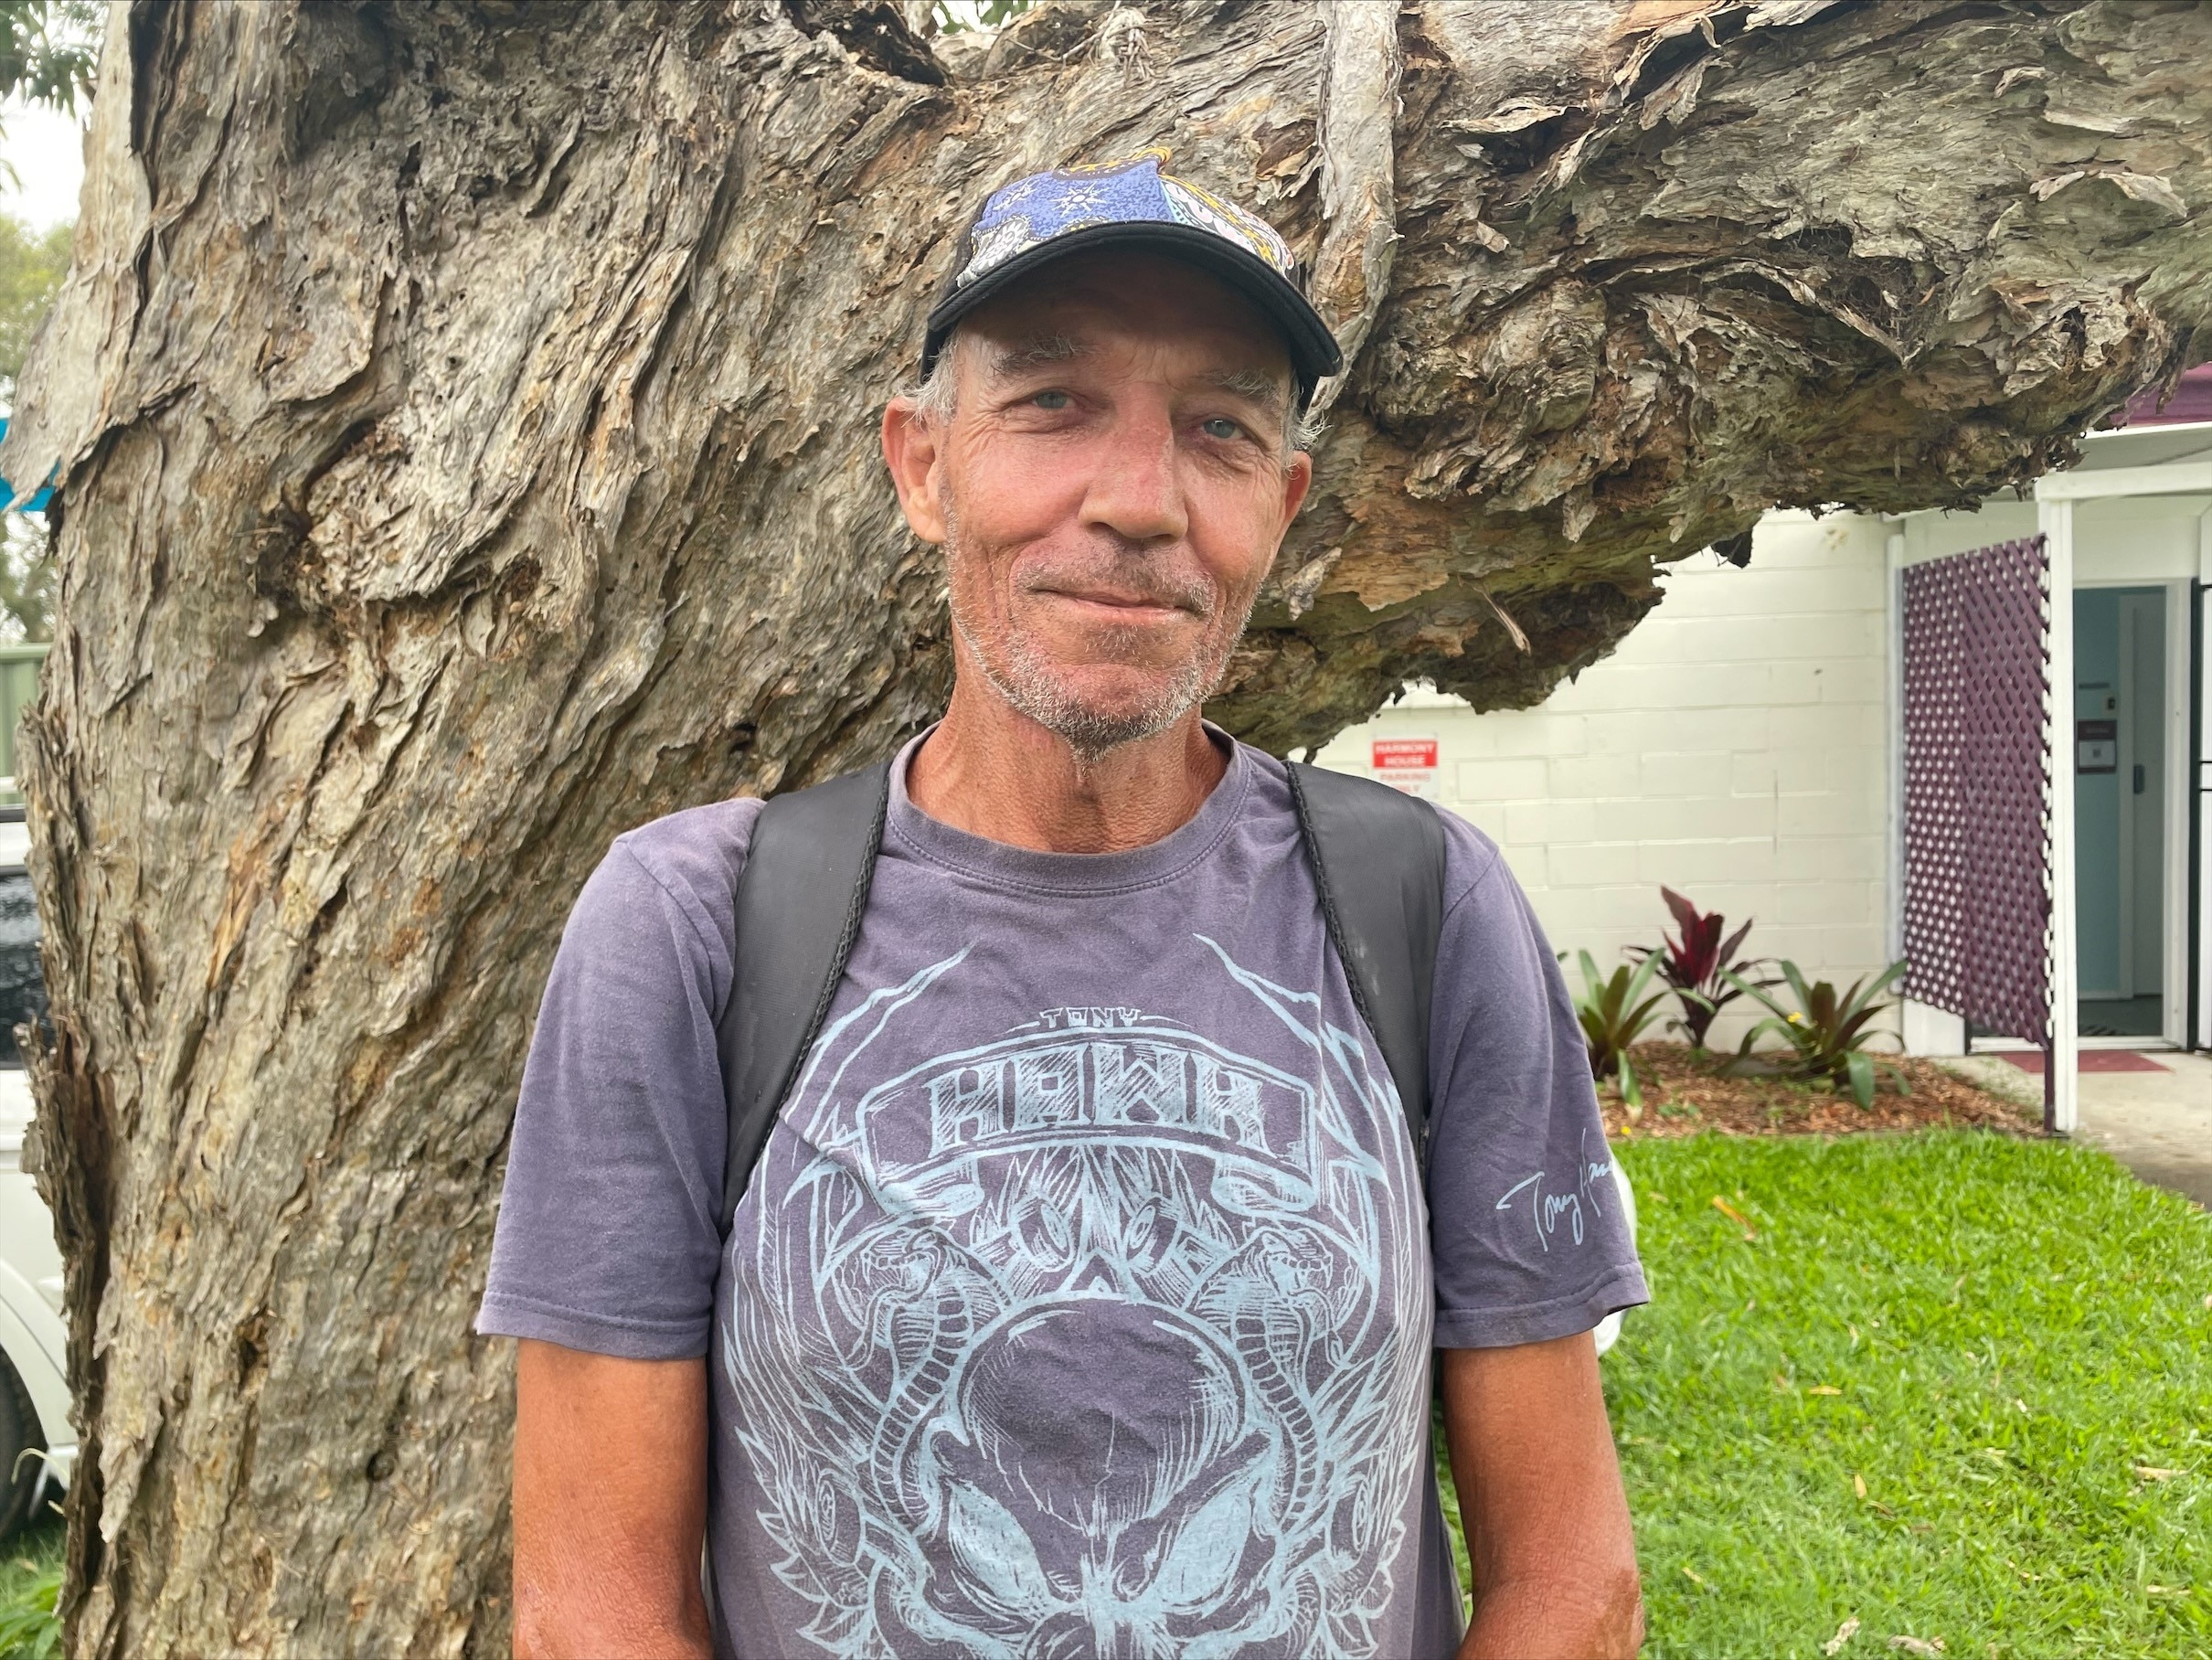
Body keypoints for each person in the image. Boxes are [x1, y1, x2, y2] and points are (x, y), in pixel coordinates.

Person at [479, 152, 1648, 1660]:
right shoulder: (689, 928)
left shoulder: (1425, 906)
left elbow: (1573, 1584)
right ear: (920, 463)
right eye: (1052, 404)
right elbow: (596, 1616)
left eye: (1219, 429)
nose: (1141, 503)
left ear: (1280, 505)